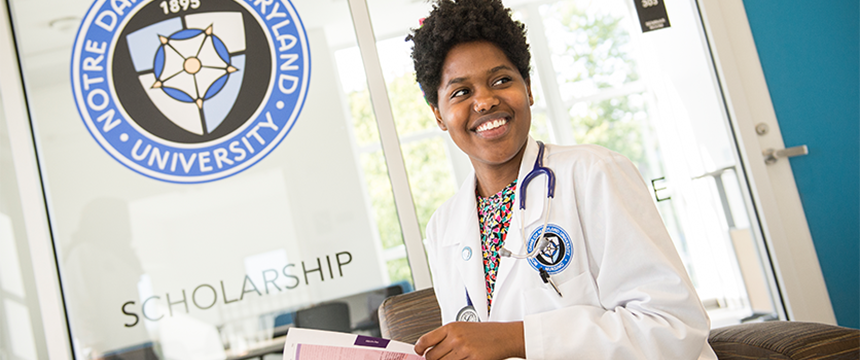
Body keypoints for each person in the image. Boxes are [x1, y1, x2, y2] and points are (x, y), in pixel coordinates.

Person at [405, 0, 718, 359]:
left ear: (528, 89)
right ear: (439, 116)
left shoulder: (593, 173)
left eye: (501, 80)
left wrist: (518, 339)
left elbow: (673, 325)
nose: (485, 101)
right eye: (461, 92)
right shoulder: (443, 227)